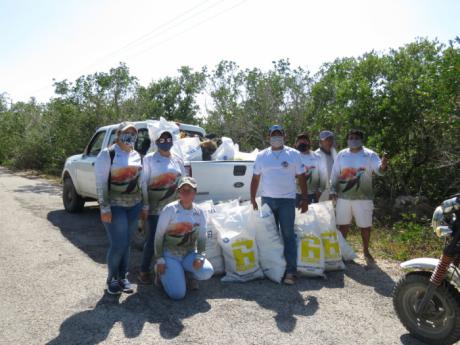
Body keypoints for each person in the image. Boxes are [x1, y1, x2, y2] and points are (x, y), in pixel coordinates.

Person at [250, 125, 309, 285]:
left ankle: (291, 271)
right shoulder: (262, 155)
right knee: (270, 235)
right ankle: (273, 268)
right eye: (273, 135)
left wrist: (304, 199)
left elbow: (302, 177)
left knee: (288, 234)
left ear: (284, 136)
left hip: (287, 201)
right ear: (268, 136)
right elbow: (255, 178)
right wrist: (253, 198)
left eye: (279, 134)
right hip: (267, 200)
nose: (276, 137)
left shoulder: (294, 154)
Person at [95, 122, 143, 294]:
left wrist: (143, 205)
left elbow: (140, 181)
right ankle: (111, 279)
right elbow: (100, 183)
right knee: (118, 244)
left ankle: (123, 277)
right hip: (115, 206)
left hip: (134, 205)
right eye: (126, 132)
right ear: (118, 134)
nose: (130, 136)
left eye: (133, 133)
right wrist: (104, 208)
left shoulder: (137, 154)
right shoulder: (108, 154)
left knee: (127, 244)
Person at [329, 129, 388, 264]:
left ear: (361, 139)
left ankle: (366, 252)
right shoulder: (342, 155)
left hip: (363, 198)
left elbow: (379, 170)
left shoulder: (369, 154)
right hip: (343, 197)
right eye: (350, 137)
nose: (353, 140)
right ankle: (342, 252)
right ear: (347, 139)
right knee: (343, 225)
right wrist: (332, 190)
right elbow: (334, 174)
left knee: (365, 226)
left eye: (356, 137)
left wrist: (383, 166)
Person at [154, 176, 213, 300]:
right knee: (178, 295)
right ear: (178, 192)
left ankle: (186, 274)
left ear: (195, 193)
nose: (186, 193)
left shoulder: (200, 212)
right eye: (183, 190)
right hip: (170, 255)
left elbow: (202, 237)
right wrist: (160, 260)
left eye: (189, 190)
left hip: (188, 255)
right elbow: (158, 236)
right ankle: (160, 275)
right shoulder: (169, 209)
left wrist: (200, 257)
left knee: (207, 271)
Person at [138, 130, 186, 284]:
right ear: (156, 141)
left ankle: (170, 271)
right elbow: (143, 183)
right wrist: (145, 205)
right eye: (162, 139)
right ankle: (144, 270)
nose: (166, 141)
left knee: (174, 240)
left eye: (168, 138)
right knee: (153, 240)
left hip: (174, 209)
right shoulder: (149, 159)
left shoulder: (178, 160)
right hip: (155, 208)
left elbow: (184, 182)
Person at [295, 132, 321, 205]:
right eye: (300, 142)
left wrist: (319, 192)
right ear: (296, 144)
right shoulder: (292, 157)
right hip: (296, 194)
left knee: (312, 216)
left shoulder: (317, 157)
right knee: (297, 216)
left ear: (309, 143)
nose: (302, 143)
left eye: (304, 141)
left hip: (312, 194)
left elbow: (323, 176)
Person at [315, 130, 337, 201]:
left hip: (333, 190)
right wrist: (318, 190)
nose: (329, 142)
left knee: (332, 211)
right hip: (320, 191)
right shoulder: (316, 155)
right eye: (326, 140)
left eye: (330, 139)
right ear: (321, 142)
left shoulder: (334, 153)